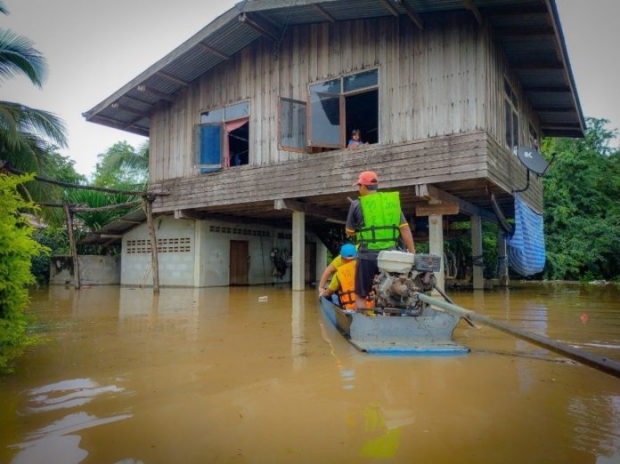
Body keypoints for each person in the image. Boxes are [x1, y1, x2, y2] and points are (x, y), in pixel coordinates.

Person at [346, 170, 416, 311]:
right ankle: (392, 320)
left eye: (359, 186)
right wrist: (412, 254)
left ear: (364, 186)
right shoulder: (392, 203)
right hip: (391, 257)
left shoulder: (356, 204)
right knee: (392, 290)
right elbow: (405, 229)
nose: (358, 189)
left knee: (361, 294)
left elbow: (349, 232)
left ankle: (362, 324)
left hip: (367, 255)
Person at [321, 243, 357, 310]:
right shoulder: (365, 269)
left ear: (342, 258)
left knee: (326, 296)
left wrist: (323, 293)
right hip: (368, 306)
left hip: (349, 307)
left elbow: (328, 293)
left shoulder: (339, 274)